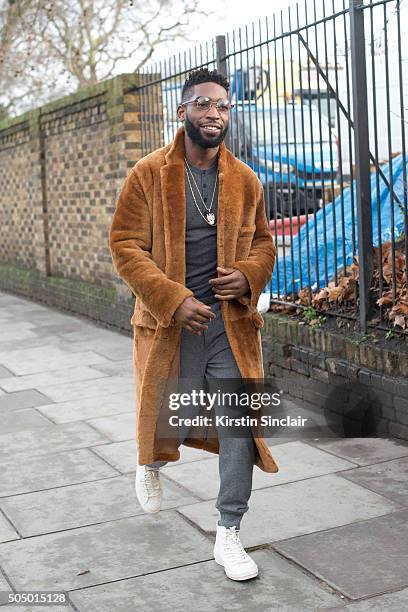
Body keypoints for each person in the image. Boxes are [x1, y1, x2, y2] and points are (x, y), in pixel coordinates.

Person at [109, 67, 278, 582]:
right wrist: (170, 299)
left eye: (223, 106)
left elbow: (265, 244)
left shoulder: (246, 180)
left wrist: (248, 276)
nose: (214, 114)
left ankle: (229, 533)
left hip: (229, 326)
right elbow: (125, 245)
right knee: (168, 421)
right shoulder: (149, 173)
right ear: (182, 111)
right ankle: (150, 462)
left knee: (238, 428)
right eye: (203, 105)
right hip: (171, 327)